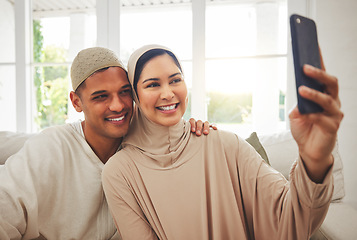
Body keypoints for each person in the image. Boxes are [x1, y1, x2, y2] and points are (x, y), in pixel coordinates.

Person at [102, 44, 344, 240]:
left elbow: (292, 219)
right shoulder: (120, 172)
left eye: (175, 80)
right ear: (135, 95)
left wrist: (315, 159)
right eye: (153, 84)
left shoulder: (226, 145)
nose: (168, 93)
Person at [0, 47, 213, 240]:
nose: (118, 106)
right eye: (101, 97)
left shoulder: (146, 143)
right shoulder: (51, 147)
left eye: (124, 92)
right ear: (76, 102)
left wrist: (189, 130)